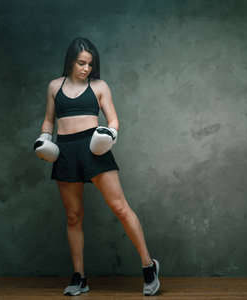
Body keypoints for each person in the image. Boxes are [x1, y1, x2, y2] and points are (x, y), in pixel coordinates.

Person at [33, 37, 160, 296]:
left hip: (94, 148)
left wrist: (108, 136)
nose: (86, 68)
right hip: (65, 151)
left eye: (90, 64)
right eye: (81, 63)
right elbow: (48, 121)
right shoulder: (54, 86)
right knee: (73, 216)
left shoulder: (100, 86)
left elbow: (113, 120)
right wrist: (44, 139)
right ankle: (79, 277)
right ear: (70, 61)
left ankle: (149, 266)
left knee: (120, 208)